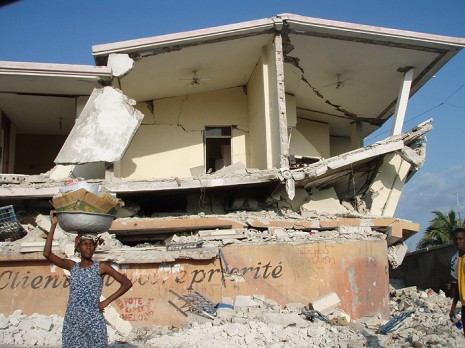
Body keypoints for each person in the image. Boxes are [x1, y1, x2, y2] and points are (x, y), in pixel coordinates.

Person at [43, 211, 132, 348]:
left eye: (91, 244)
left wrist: (106, 302)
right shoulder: (72, 266)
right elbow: (47, 254)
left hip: (93, 320)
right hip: (73, 320)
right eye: (85, 244)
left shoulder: (101, 267)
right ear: (78, 247)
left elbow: (127, 283)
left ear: (95, 247)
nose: (88, 247)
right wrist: (54, 225)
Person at [450, 228, 465, 337]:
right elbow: (457, 284)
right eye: (456, 239)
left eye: (461, 239)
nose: (458, 241)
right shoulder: (455, 259)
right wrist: (453, 306)